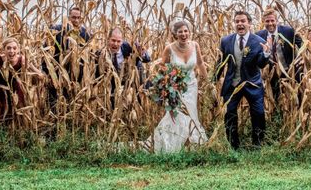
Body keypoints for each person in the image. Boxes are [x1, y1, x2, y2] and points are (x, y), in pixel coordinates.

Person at [215, 11, 269, 150]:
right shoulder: (226, 41)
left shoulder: (259, 41)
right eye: (237, 21)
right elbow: (220, 63)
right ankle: (234, 146)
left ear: (249, 23)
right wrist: (214, 79)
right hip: (232, 83)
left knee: (258, 113)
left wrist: (266, 54)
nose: (240, 24)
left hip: (252, 84)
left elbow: (261, 65)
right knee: (229, 114)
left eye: (243, 21)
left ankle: (257, 145)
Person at [152, 21, 207, 152]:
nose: (184, 34)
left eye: (186, 31)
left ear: (189, 31)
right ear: (175, 34)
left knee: (192, 114)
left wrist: (209, 82)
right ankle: (172, 145)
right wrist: (166, 85)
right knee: (176, 115)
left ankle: (193, 144)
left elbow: (200, 63)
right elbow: (163, 69)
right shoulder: (169, 48)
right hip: (176, 89)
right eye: (180, 31)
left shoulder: (195, 45)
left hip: (192, 87)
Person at [0, 37, 44, 123]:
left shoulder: (22, 60)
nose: (11, 51)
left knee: (17, 120)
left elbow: (40, 76)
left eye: (14, 48)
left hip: (16, 93)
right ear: (3, 50)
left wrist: (26, 69)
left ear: (18, 50)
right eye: (8, 48)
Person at [95, 27, 151, 110]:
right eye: (113, 40)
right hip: (111, 81)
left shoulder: (126, 46)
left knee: (138, 93)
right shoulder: (101, 53)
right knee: (113, 102)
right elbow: (96, 74)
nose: (116, 44)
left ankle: (140, 109)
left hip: (128, 78)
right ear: (108, 39)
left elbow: (147, 59)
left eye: (118, 41)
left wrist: (141, 52)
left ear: (122, 41)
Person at [46, 6, 91, 109]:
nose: (76, 20)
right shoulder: (56, 30)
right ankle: (56, 120)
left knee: (72, 100)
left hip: (76, 74)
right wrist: (47, 71)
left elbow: (89, 54)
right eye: (73, 17)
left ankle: (71, 120)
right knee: (55, 101)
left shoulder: (85, 34)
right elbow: (46, 51)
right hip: (57, 72)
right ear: (68, 17)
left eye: (78, 18)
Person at [255, 8, 303, 100]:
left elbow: (301, 45)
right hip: (271, 74)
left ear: (277, 21)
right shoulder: (259, 36)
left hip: (290, 71)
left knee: (294, 98)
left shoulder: (288, 31)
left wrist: (301, 59)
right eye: (267, 21)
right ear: (263, 22)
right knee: (275, 99)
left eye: (272, 20)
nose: (270, 23)